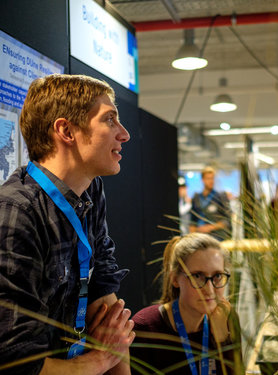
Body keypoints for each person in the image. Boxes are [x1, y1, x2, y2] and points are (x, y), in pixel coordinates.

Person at [0, 74, 135, 374]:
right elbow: (17, 363)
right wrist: (99, 361)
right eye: (110, 120)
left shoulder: (91, 191)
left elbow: (106, 302)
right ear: (66, 130)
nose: (124, 134)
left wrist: (110, 358)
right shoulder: (16, 212)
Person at [130, 233, 243, 374]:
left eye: (218, 276)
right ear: (175, 279)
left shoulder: (227, 317)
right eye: (197, 276)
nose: (209, 290)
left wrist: (223, 340)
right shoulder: (145, 328)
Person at [189, 167, 231, 241]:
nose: (211, 181)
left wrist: (210, 227)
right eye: (208, 178)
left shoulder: (220, 197)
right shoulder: (196, 198)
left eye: (212, 178)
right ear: (203, 180)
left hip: (216, 236)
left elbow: (227, 221)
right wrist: (191, 237)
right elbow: (192, 220)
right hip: (198, 236)